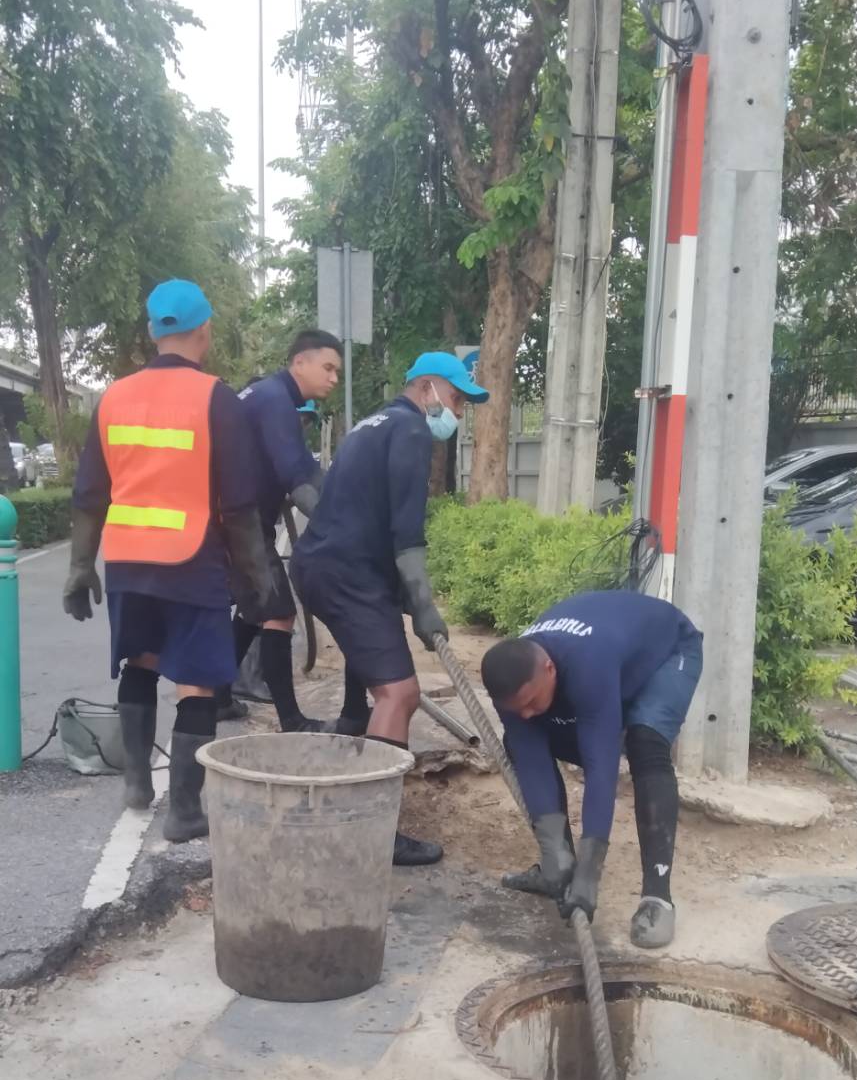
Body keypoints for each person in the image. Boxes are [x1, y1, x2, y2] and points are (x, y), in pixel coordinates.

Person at [64, 279, 272, 843]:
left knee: (141, 662)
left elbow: (89, 494)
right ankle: (183, 812)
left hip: (127, 559)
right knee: (197, 684)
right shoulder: (215, 398)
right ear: (205, 329)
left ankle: (136, 785)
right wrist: (256, 575)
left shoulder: (113, 397)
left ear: (154, 332)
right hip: (191, 558)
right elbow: (239, 505)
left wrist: (80, 566)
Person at [290, 351, 489, 865]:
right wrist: (422, 603)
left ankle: (351, 782)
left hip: (328, 567)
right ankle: (374, 830)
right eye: (456, 399)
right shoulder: (412, 430)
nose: (459, 412)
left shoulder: (372, 424)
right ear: (426, 389)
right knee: (399, 693)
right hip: (348, 576)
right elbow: (406, 530)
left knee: (378, 684)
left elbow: (360, 509)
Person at [481, 588, 704, 948]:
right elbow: (531, 757)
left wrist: (591, 873)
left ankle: (657, 897)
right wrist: (553, 849)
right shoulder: (515, 685)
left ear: (549, 669)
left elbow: (601, 767)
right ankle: (561, 868)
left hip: (668, 651)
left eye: (531, 701)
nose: (525, 713)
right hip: (613, 657)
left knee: (646, 742)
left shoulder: (587, 664)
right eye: (516, 708)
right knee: (519, 741)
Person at [232, 330, 344, 732]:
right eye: (327, 367)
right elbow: (298, 479)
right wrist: (339, 529)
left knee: (253, 611)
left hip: (235, 521)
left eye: (337, 371)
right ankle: (292, 720)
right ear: (300, 362)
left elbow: (308, 470)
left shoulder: (270, 395)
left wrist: (344, 498)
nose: (333, 378)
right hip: (238, 525)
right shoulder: (276, 400)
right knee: (279, 615)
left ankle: (216, 698)